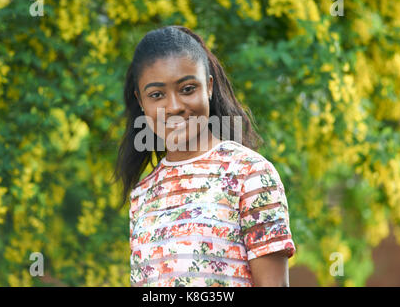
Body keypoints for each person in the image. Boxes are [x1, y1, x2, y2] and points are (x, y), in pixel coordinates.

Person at [113, 25, 296, 287]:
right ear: (141, 102)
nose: (174, 106)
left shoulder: (250, 174)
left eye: (187, 89)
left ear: (208, 86)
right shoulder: (142, 194)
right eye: (156, 95)